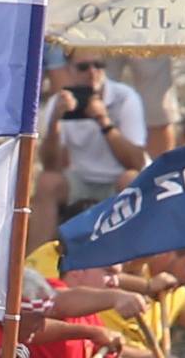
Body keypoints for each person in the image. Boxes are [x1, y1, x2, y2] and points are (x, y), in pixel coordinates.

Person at [31, 52, 149, 246]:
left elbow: (137, 162)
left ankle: (130, 260)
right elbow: (51, 165)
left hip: (116, 180)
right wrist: (54, 124)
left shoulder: (125, 97)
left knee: (131, 179)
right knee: (47, 182)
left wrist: (104, 122)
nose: (92, 72)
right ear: (69, 69)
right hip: (83, 180)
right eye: (83, 67)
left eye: (99, 65)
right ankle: (35, 263)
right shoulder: (59, 102)